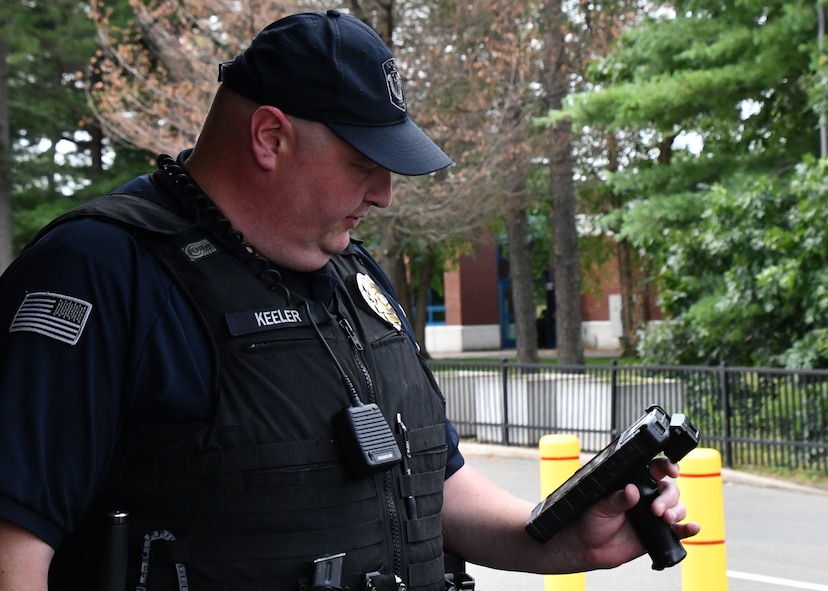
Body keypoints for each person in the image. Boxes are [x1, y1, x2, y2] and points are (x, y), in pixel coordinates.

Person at [0, 9, 699, 591]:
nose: (385, 194)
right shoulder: (96, 270)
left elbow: (434, 482)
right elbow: (13, 548)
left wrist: (555, 536)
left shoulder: (352, 275)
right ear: (270, 136)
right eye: (364, 165)